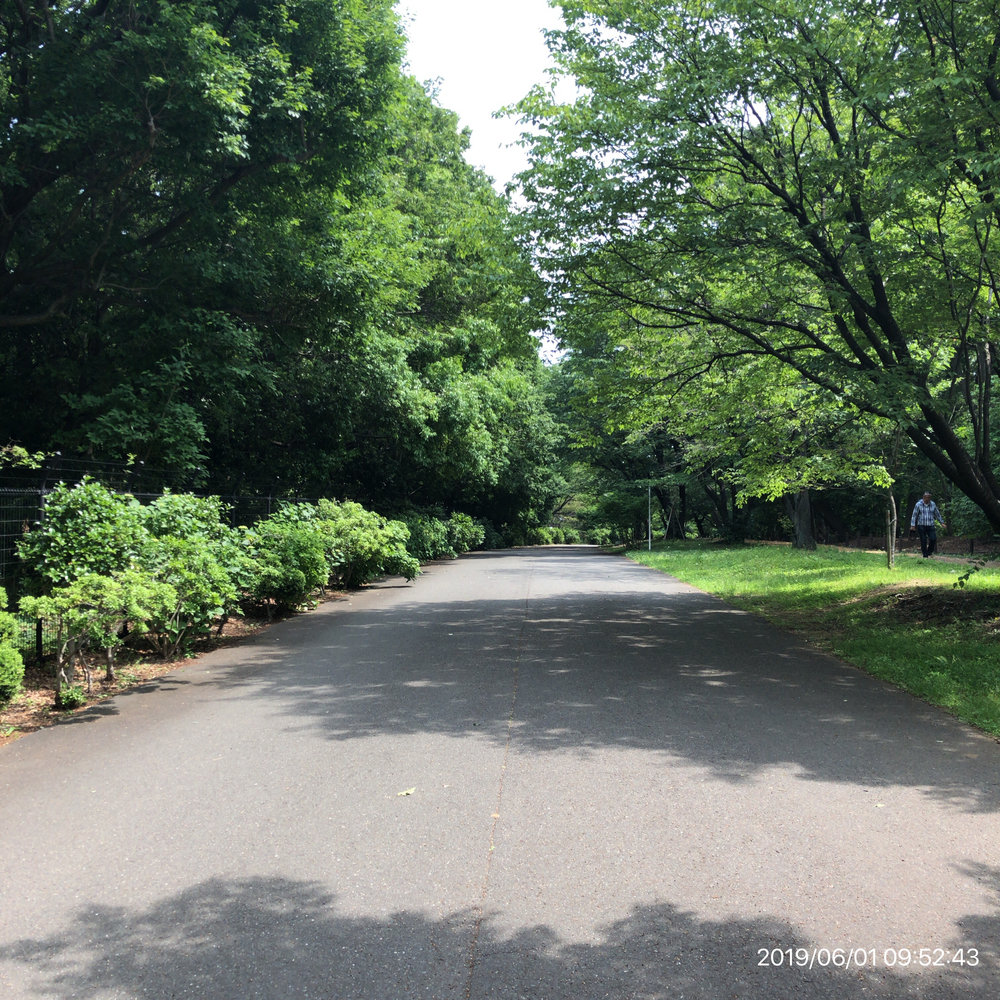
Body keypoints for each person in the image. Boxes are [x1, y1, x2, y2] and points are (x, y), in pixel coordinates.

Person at [910, 492, 944, 558]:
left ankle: (929, 551)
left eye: (929, 498)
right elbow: (914, 515)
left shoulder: (933, 504)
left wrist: (941, 522)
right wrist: (913, 525)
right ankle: (925, 555)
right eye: (926, 498)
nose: (927, 499)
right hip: (921, 525)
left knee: (933, 538)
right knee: (923, 540)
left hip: (930, 525)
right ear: (923, 497)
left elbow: (937, 514)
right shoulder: (918, 504)